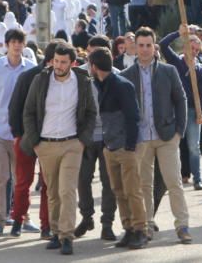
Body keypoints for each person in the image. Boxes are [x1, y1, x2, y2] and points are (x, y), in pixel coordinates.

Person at [21, 42, 97, 255]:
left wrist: (83, 140)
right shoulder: (41, 80)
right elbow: (28, 112)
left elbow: (91, 112)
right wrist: (35, 141)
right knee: (52, 191)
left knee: (67, 190)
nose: (59, 65)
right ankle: (55, 231)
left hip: (72, 144)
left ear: (72, 63)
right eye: (56, 61)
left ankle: (67, 236)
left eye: (63, 62)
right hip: (45, 144)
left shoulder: (82, 82)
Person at [122, 27, 191, 244]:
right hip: (141, 139)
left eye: (148, 45)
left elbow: (181, 100)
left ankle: (182, 225)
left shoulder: (168, 71)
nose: (144, 49)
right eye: (140, 45)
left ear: (155, 47)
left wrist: (179, 131)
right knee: (144, 185)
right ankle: (147, 225)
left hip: (167, 136)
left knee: (173, 181)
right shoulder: (126, 76)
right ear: (135, 47)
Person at [0, 28, 38, 236]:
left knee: (22, 178)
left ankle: (23, 217)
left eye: (20, 42)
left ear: (24, 45)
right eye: (13, 42)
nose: (16, 45)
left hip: (22, 133)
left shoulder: (31, 69)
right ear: (6, 44)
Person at [89, 48, 147, 249]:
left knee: (132, 190)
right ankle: (129, 229)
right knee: (118, 190)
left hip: (126, 147)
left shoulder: (122, 85)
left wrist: (130, 145)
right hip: (111, 146)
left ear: (94, 67)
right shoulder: (100, 83)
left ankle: (140, 230)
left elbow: (133, 116)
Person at [7, 40, 53, 237]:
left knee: (47, 184)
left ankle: (46, 225)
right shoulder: (29, 77)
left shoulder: (64, 78)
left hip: (51, 139)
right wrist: (19, 134)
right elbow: (15, 107)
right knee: (23, 183)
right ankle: (18, 220)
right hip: (26, 138)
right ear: (50, 59)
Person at [75, 37, 118, 242]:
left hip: (109, 138)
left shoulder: (117, 76)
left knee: (109, 182)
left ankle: (107, 223)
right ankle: (86, 217)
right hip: (86, 137)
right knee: (82, 179)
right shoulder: (79, 76)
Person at [159, 28, 202, 191]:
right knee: (173, 146)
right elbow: (163, 44)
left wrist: (201, 112)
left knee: (193, 146)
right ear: (185, 47)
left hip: (193, 111)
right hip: (176, 110)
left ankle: (198, 178)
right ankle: (173, 178)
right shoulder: (176, 62)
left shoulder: (200, 69)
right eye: (191, 48)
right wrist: (178, 33)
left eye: (197, 50)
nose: (194, 52)